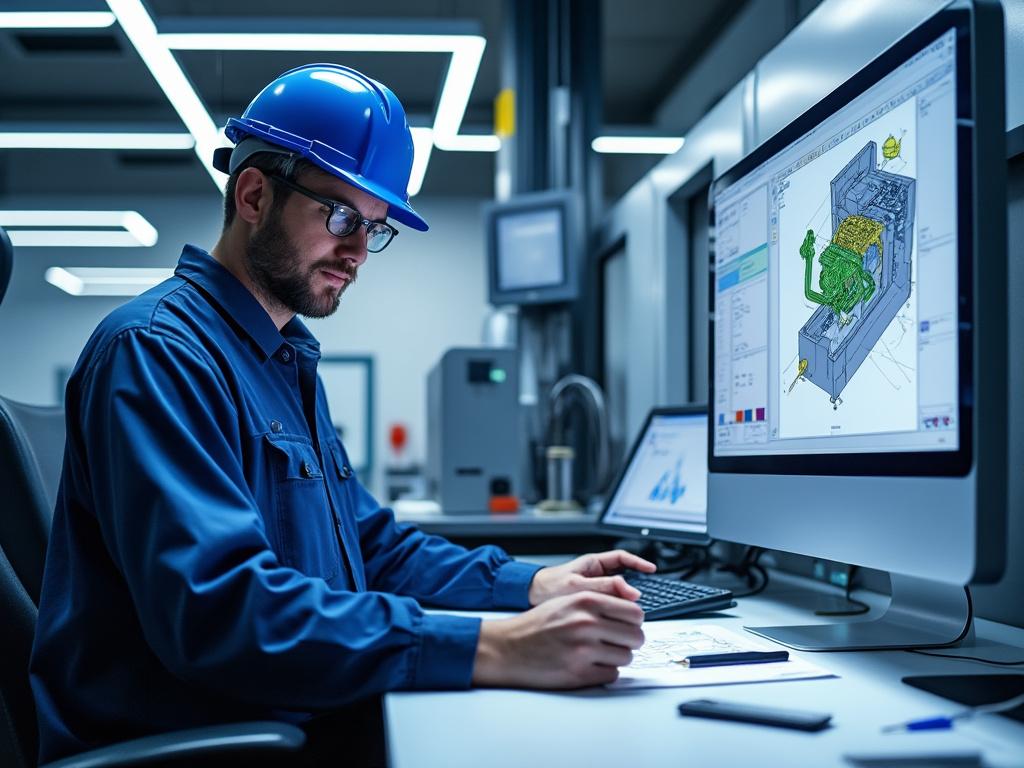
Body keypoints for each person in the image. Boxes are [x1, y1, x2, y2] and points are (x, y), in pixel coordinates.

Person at [29, 63, 654, 766]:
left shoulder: (281, 359)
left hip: (286, 715)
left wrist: (529, 584)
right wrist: (495, 645)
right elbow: (221, 613)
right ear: (255, 195)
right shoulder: (157, 353)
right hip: (197, 742)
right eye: (341, 217)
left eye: (375, 229)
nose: (358, 252)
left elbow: (371, 547)